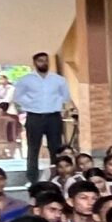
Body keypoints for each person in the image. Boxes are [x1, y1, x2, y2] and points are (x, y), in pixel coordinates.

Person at [15, 49, 72, 180]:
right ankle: (32, 178)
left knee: (56, 148)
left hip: (53, 116)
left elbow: (66, 97)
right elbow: (18, 97)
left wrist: (57, 105)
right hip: (34, 116)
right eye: (41, 61)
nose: (44, 63)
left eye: (46, 61)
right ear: (35, 62)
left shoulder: (58, 80)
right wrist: (32, 104)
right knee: (33, 148)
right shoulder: (26, 80)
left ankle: (57, 176)